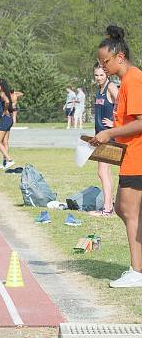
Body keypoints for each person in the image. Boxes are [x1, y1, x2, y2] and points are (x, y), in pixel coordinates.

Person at [91, 26, 142, 287]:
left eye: (106, 61)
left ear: (119, 56)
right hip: (129, 155)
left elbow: (140, 122)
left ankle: (137, 272)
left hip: (138, 158)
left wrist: (110, 132)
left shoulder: (133, 79)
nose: (103, 65)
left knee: (127, 210)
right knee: (128, 211)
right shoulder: (124, 83)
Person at [90, 63, 118, 217]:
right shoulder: (99, 90)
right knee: (105, 172)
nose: (99, 78)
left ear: (106, 74)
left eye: (101, 75)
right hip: (100, 135)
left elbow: (124, 104)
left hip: (109, 135)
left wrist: (115, 124)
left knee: (102, 171)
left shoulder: (111, 87)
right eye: (96, 75)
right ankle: (109, 205)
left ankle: (107, 209)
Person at [0, 79, 15, 169]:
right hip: (9, 119)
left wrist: (5, 110)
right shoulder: (7, 93)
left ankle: (10, 160)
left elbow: (7, 102)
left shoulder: (3, 94)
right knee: (5, 142)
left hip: (5, 119)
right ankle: (5, 163)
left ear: (1, 86)